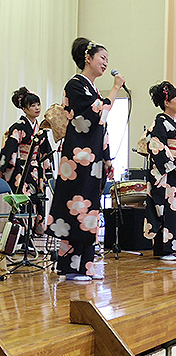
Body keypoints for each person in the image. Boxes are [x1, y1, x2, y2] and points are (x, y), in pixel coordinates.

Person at [46, 37, 125, 281]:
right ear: (87, 58)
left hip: (92, 159)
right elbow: (93, 116)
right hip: (77, 158)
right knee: (76, 208)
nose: (105, 63)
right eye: (102, 58)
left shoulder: (90, 88)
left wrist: (108, 159)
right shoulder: (75, 84)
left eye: (107, 60)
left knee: (89, 208)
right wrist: (114, 90)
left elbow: (102, 126)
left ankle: (85, 267)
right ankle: (70, 267)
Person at [143, 81, 176, 261]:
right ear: (167, 103)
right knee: (167, 209)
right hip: (166, 175)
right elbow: (156, 146)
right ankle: (165, 250)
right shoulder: (160, 122)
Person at [0, 86, 52, 235]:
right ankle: (22, 238)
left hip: (37, 169)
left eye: (38, 104)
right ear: (24, 109)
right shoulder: (18, 127)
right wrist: (7, 169)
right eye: (32, 105)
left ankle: (32, 236)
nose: (37, 108)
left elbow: (45, 152)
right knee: (24, 201)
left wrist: (47, 171)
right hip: (22, 169)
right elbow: (10, 150)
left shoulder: (40, 129)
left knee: (37, 200)